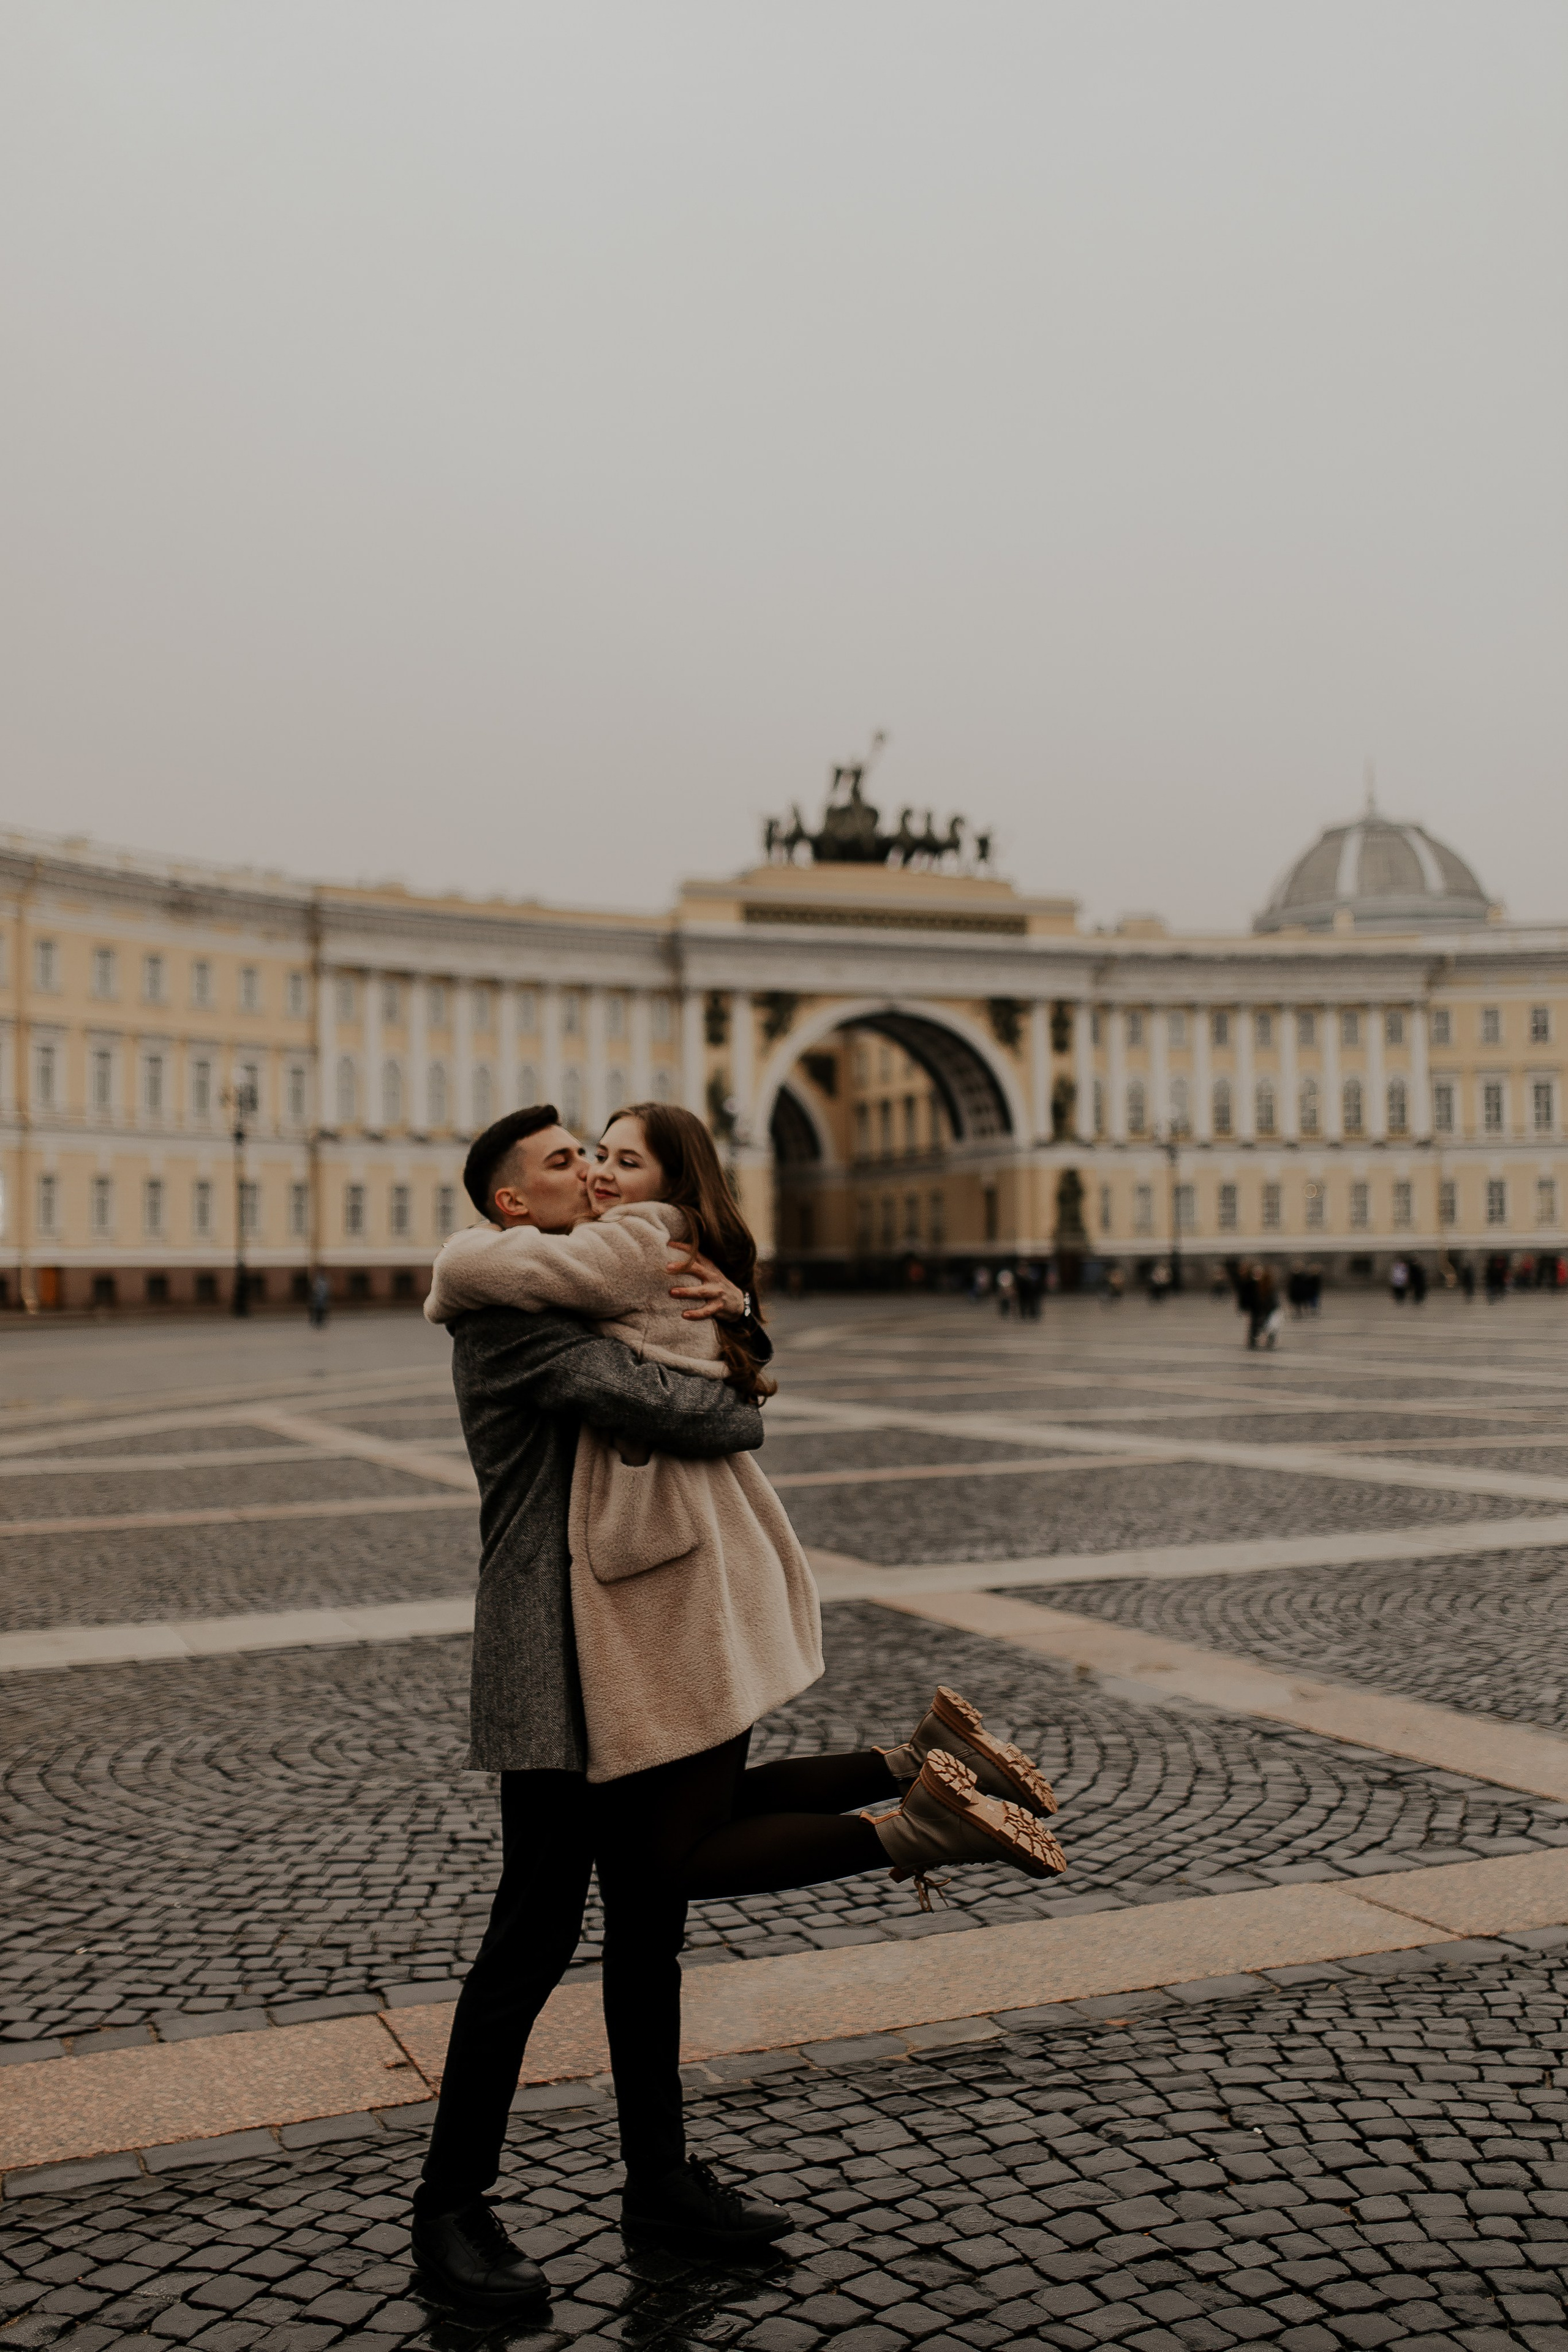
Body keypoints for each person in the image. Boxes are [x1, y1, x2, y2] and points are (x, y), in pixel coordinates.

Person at [412, 1105, 1064, 2316]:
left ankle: (657, 2184)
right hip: (556, 1668)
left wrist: (738, 1309)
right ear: (511, 1206)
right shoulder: (511, 1317)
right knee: (533, 1940)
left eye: (598, 1156)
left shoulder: (594, 1289)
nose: (591, 1176)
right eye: (565, 1164)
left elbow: (714, 1362)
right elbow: (705, 1413)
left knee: (654, 1910)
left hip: (653, 1639)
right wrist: (730, 1333)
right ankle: (450, 2209)